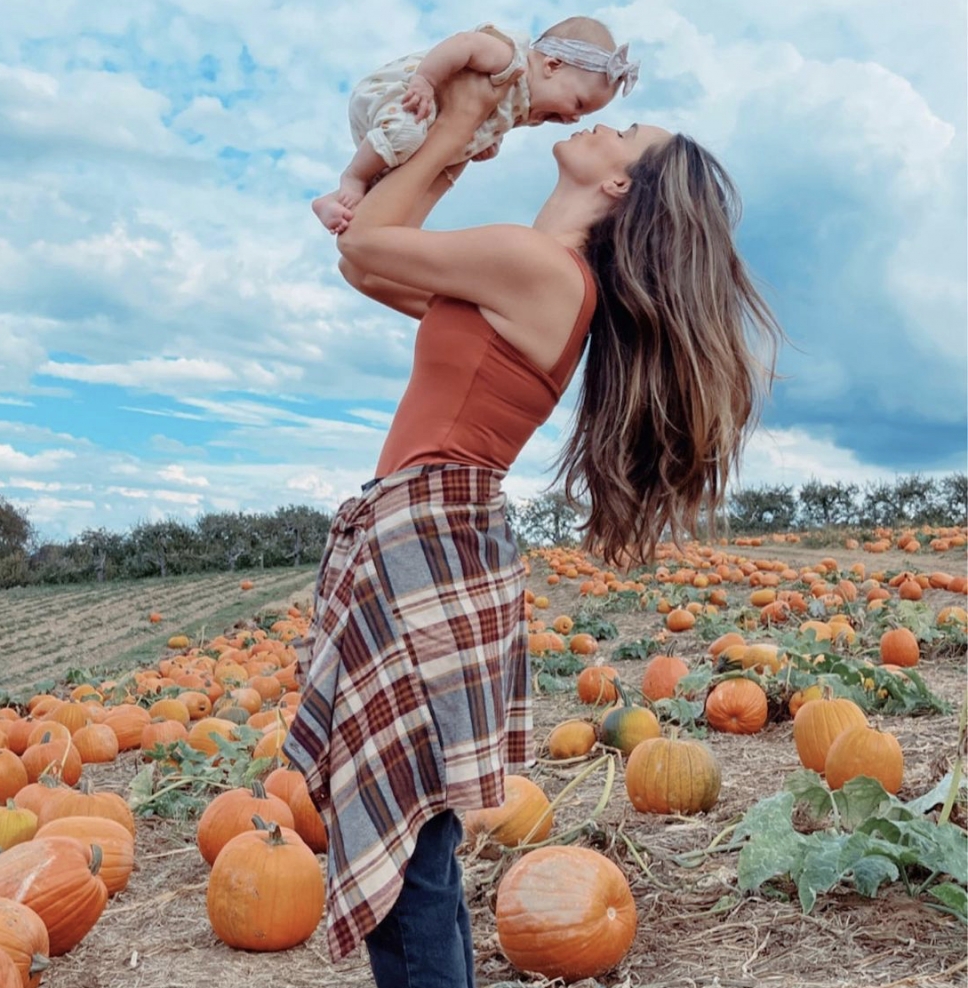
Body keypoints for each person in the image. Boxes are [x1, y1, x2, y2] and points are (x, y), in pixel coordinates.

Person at [284, 67, 781, 988]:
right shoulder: (535, 269)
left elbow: (369, 248)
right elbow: (373, 259)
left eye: (624, 130)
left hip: (426, 542)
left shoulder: (539, 267)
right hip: (429, 538)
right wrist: (451, 146)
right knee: (418, 845)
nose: (605, 124)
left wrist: (468, 115)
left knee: (415, 863)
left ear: (620, 183)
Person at [311, 15, 640, 233]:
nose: (572, 118)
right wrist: (426, 80)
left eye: (582, 116)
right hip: (404, 97)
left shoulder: (524, 107)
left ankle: (333, 202)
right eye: (578, 104)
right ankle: (352, 176)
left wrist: (487, 142)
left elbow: (489, 121)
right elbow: (463, 44)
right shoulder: (509, 60)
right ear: (552, 65)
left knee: (400, 179)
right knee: (405, 134)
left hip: (423, 126)